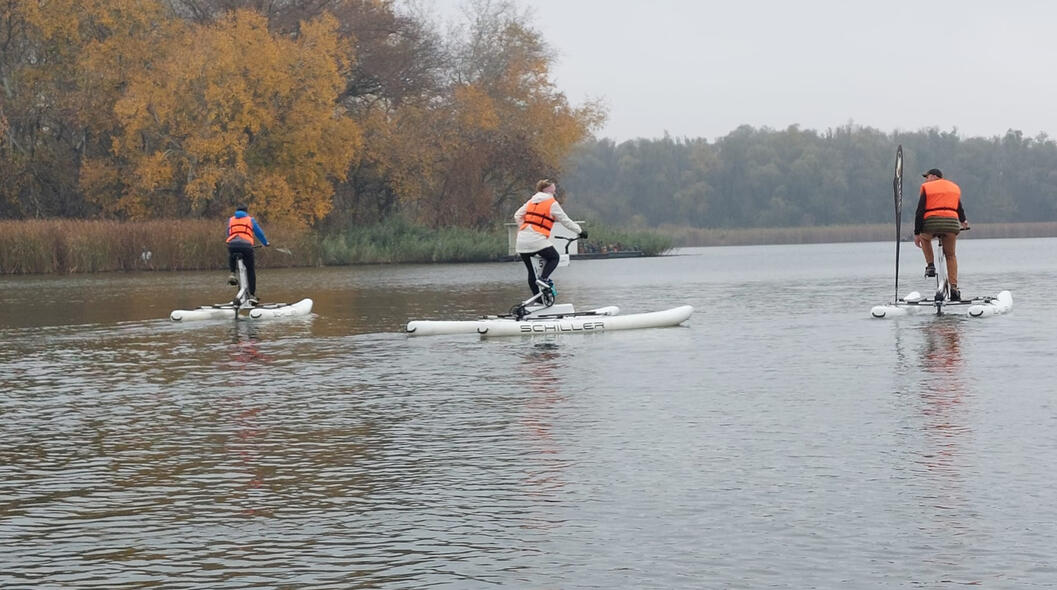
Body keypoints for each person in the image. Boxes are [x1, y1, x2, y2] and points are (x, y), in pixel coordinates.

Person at [513, 179, 587, 297]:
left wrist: (525, 228)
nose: (555, 192)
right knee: (554, 257)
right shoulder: (552, 203)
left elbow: (517, 215)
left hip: (522, 241)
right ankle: (544, 279)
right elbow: (565, 221)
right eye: (554, 191)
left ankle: (537, 299)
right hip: (536, 240)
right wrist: (580, 231)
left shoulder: (531, 201)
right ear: (548, 190)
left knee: (531, 272)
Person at [913, 168, 969, 301]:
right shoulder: (953, 187)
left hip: (932, 224)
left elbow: (920, 211)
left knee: (924, 238)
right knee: (950, 255)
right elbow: (959, 207)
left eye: (927, 177)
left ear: (933, 176)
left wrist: (917, 233)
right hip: (951, 225)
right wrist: (963, 221)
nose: (926, 180)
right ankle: (954, 289)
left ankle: (930, 266)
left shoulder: (927, 188)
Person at [226, 205, 269, 305]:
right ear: (246, 212)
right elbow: (259, 233)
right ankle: (252, 295)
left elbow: (228, 232)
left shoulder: (231, 220)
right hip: (246, 246)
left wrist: (232, 241)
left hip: (232, 244)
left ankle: (232, 273)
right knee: (250, 270)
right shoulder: (250, 220)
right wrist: (265, 243)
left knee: (232, 254)